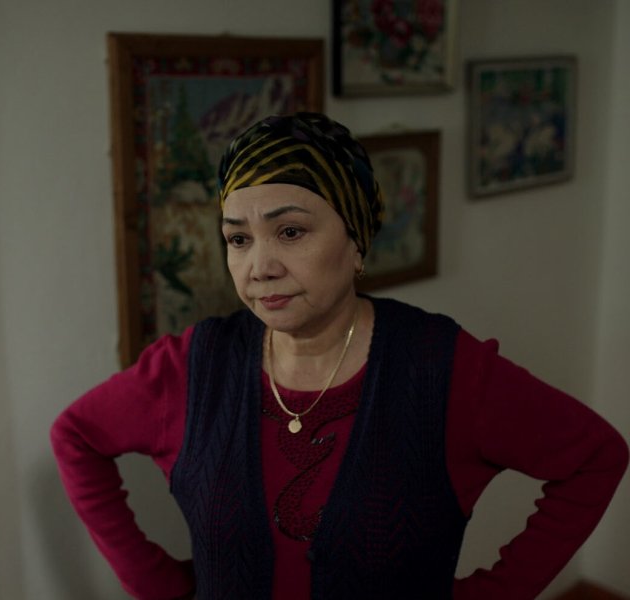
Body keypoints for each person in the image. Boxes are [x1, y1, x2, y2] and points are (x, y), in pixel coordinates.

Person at [51, 113, 628, 600]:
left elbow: (595, 457)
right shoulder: (191, 368)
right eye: (238, 239)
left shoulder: (443, 369)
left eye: (291, 232)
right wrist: (158, 587)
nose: (259, 267)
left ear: (355, 241)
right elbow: (75, 436)